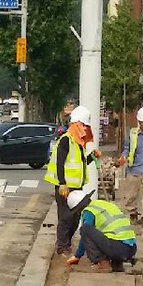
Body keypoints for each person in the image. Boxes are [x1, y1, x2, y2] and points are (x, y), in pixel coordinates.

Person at [45, 106, 100, 255]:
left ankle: (66, 243)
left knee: (75, 218)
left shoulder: (78, 144)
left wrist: (91, 157)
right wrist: (62, 183)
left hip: (76, 188)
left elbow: (80, 163)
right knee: (65, 218)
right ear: (76, 124)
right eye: (83, 126)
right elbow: (60, 163)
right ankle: (62, 246)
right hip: (65, 188)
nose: (85, 129)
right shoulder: (66, 141)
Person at [66, 195, 137, 272]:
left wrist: (77, 256)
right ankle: (117, 264)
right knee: (104, 234)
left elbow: (86, 234)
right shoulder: (103, 205)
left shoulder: (89, 211)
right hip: (131, 249)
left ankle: (102, 263)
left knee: (85, 229)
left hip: (118, 248)